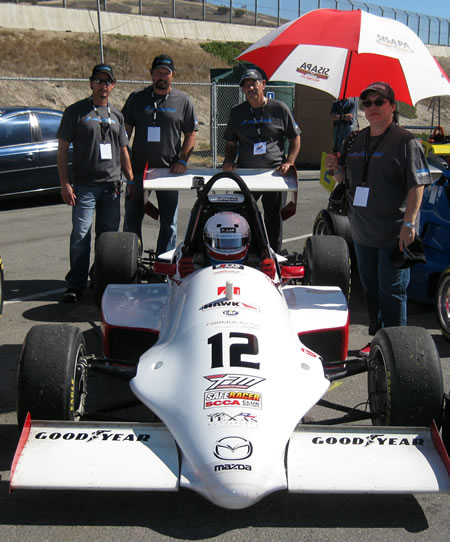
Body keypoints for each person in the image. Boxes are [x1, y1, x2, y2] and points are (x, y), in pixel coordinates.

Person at [326, 82, 432, 356]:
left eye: (379, 102)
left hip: (394, 233)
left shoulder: (406, 141)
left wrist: (409, 224)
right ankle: (378, 339)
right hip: (361, 231)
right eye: (367, 102)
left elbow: (417, 185)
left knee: (393, 291)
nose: (372, 107)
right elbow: (345, 181)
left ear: (392, 107)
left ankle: (398, 348)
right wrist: (336, 169)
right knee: (370, 289)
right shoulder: (355, 139)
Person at [57, 63, 133, 303]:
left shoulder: (117, 115)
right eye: (99, 81)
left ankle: (103, 282)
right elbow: (61, 150)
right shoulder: (76, 112)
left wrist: (132, 180)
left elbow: (123, 150)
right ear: (91, 83)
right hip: (85, 187)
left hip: (112, 187)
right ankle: (76, 285)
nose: (103, 86)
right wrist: (65, 184)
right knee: (81, 234)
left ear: (113, 86)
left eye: (107, 82)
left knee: (107, 240)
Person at [122, 54, 198, 255]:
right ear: (151, 74)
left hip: (168, 173)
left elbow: (191, 135)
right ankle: (131, 262)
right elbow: (124, 134)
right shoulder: (136, 98)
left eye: (166, 73)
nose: (161, 77)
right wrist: (126, 166)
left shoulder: (183, 101)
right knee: (131, 221)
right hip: (139, 172)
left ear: (172, 76)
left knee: (169, 223)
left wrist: (182, 160)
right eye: (158, 73)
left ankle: (164, 265)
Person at [223, 68, 301, 253]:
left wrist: (289, 161)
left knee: (273, 216)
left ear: (263, 84)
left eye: (253, 83)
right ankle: (246, 250)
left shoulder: (279, 108)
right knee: (243, 213)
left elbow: (295, 138)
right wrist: (228, 161)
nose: (250, 88)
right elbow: (231, 142)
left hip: (274, 174)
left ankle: (272, 253)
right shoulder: (237, 112)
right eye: (245, 85)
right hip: (246, 174)